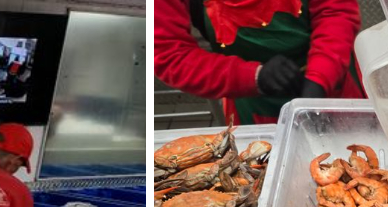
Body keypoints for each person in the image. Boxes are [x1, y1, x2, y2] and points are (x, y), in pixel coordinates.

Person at [154, 0, 366, 125]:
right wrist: (254, 77)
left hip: (332, 79)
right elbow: (169, 53)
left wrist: (320, 77)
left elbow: (335, 11)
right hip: (251, 102)